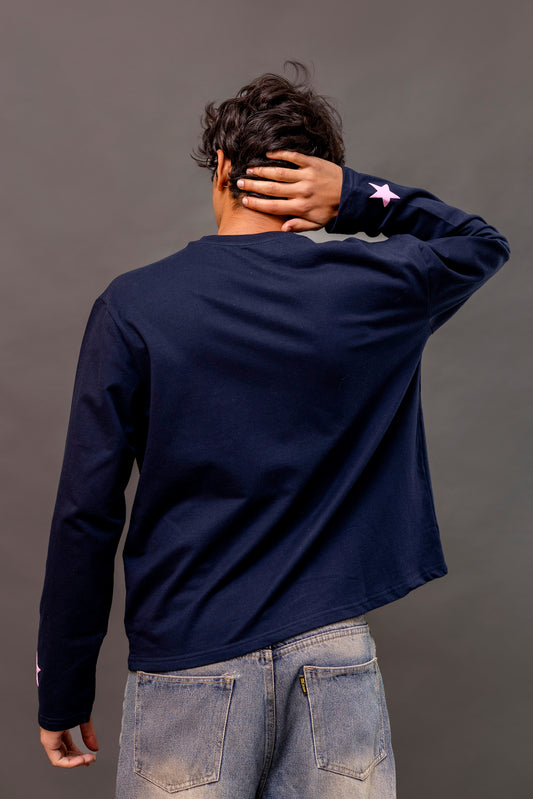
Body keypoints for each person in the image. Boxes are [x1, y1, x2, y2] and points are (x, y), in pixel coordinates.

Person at [37, 61, 510, 798]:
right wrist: (357, 196)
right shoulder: (375, 291)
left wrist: (63, 686)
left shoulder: (135, 306)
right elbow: (478, 241)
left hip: (190, 659)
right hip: (334, 657)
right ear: (315, 183)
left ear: (222, 167)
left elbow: (86, 512)